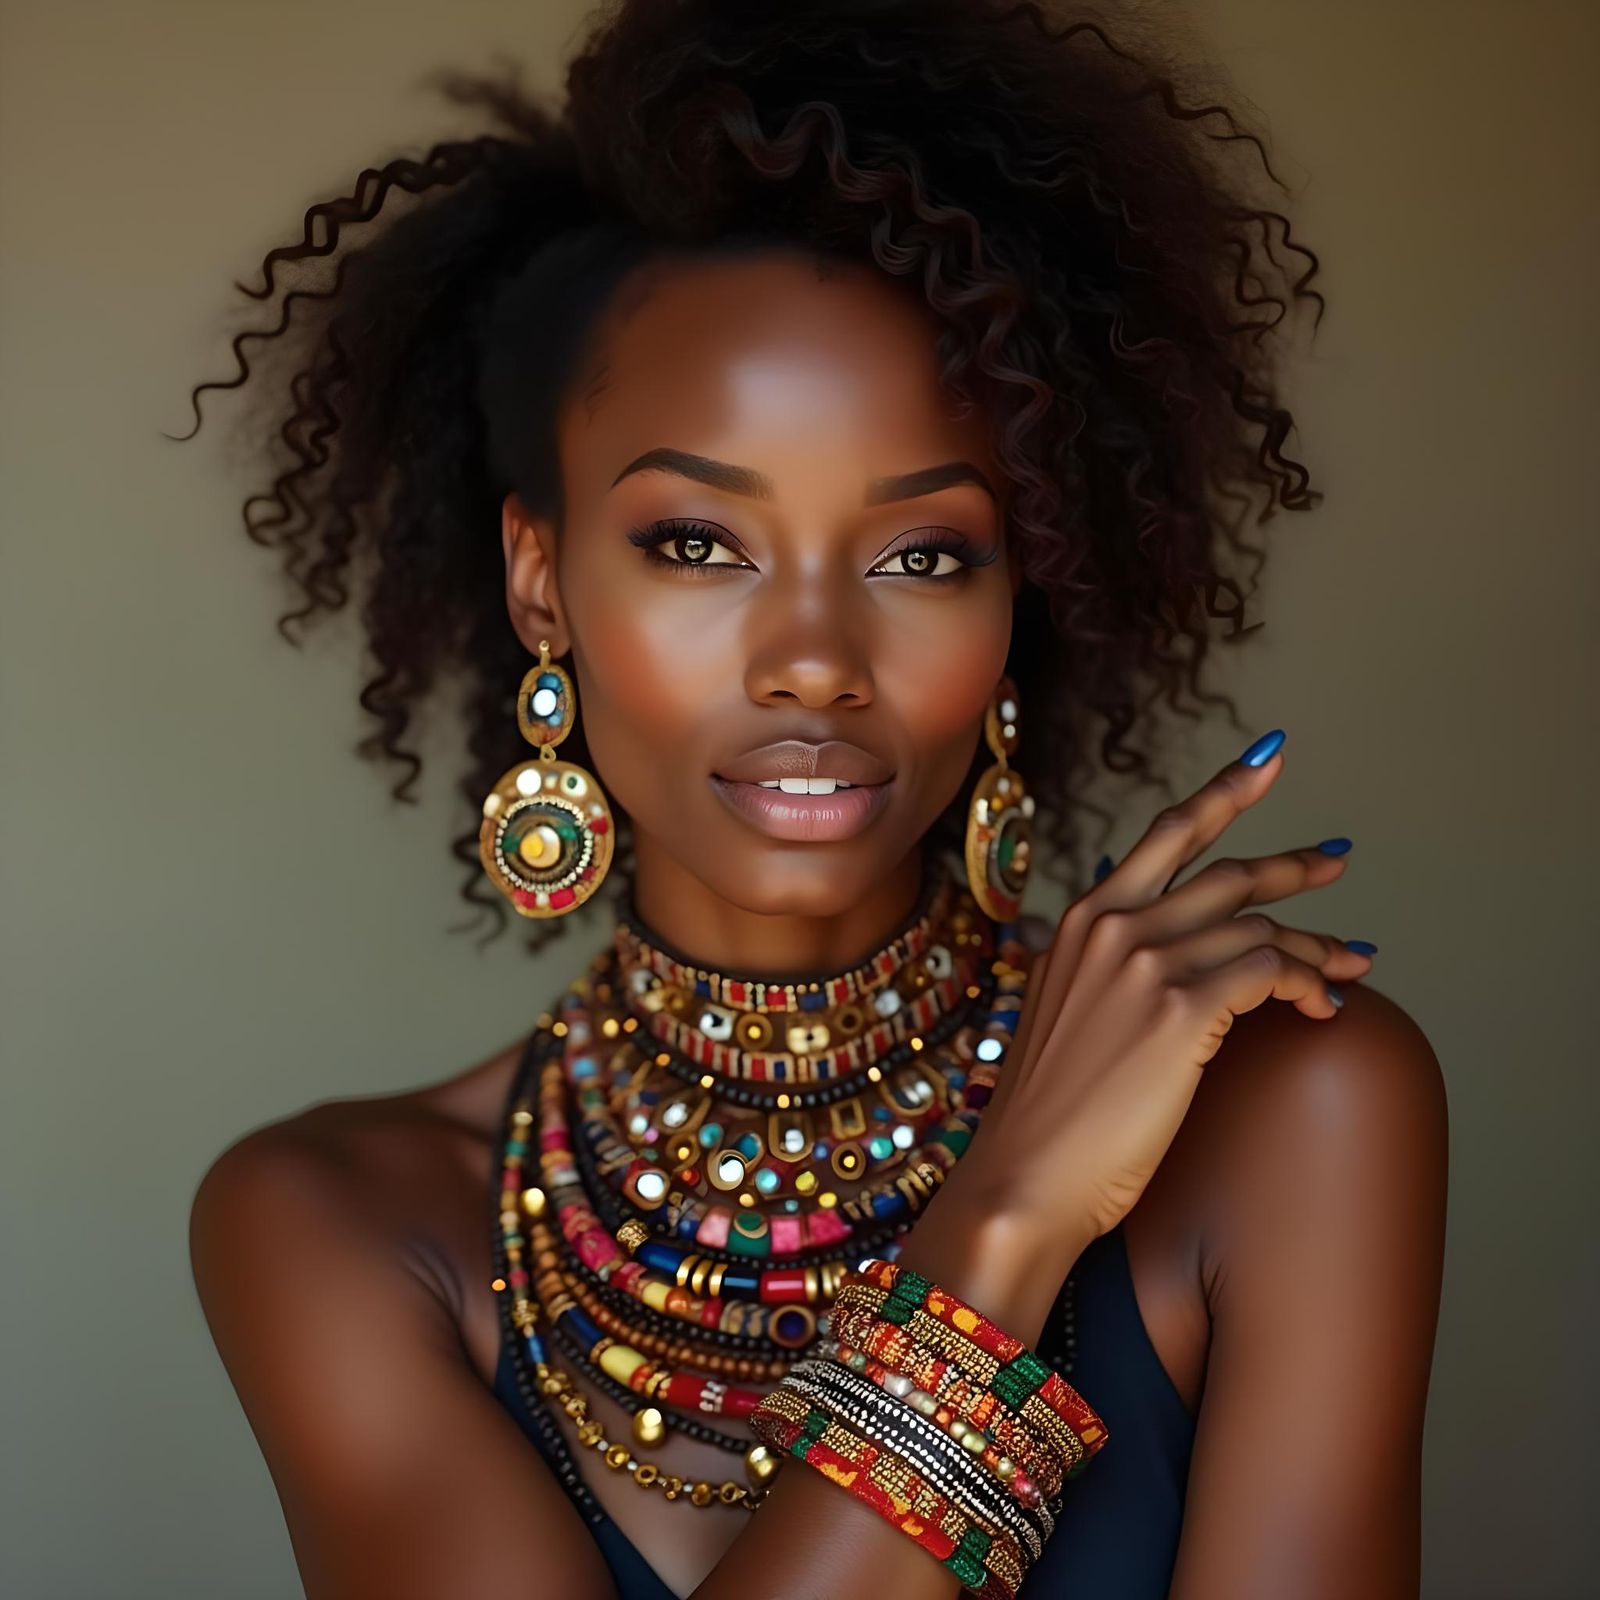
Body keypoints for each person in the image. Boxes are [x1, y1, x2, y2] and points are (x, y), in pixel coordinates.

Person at [181, 3, 1448, 1596]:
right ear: (540, 582)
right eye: (697, 544)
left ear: (1017, 606)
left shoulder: (1288, 1104)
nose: (814, 661)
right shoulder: (340, 1227)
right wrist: (1000, 1230)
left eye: (923, 555)